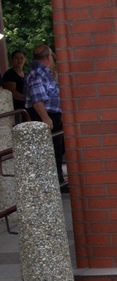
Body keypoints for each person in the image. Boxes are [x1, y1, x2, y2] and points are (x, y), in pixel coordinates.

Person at [25, 44, 66, 189]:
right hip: (45, 116)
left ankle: (59, 180)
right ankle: (55, 183)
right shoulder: (37, 73)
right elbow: (37, 98)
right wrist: (45, 118)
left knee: (58, 149)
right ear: (49, 57)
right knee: (50, 151)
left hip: (53, 115)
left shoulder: (45, 72)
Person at [3, 50, 27, 124]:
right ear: (12, 60)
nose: (19, 60)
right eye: (17, 58)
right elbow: (12, 92)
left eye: (21, 58)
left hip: (26, 108)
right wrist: (27, 99)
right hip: (16, 109)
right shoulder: (10, 74)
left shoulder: (25, 74)